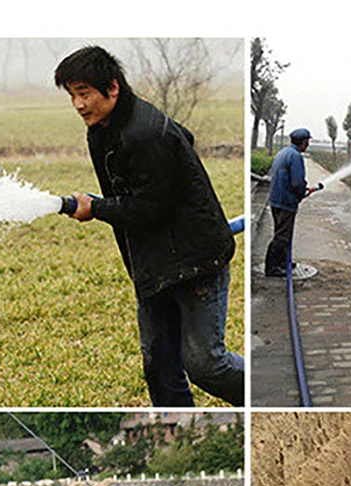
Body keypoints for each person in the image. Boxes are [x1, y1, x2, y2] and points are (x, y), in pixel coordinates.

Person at [55, 46, 242, 408]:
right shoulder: (103, 130)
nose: (78, 105)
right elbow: (181, 139)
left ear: (112, 88)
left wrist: (96, 208)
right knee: (159, 367)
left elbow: (149, 206)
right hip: (154, 264)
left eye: (84, 93)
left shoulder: (146, 133)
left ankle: (259, 394)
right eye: (72, 96)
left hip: (196, 262)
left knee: (206, 365)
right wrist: (105, 206)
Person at [264, 128, 319, 277]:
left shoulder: (284, 152)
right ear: (303, 142)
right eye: (307, 141)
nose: (308, 144)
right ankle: (271, 267)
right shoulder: (295, 156)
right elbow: (297, 183)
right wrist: (302, 192)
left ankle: (282, 261)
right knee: (282, 236)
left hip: (276, 200)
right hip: (285, 202)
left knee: (281, 232)